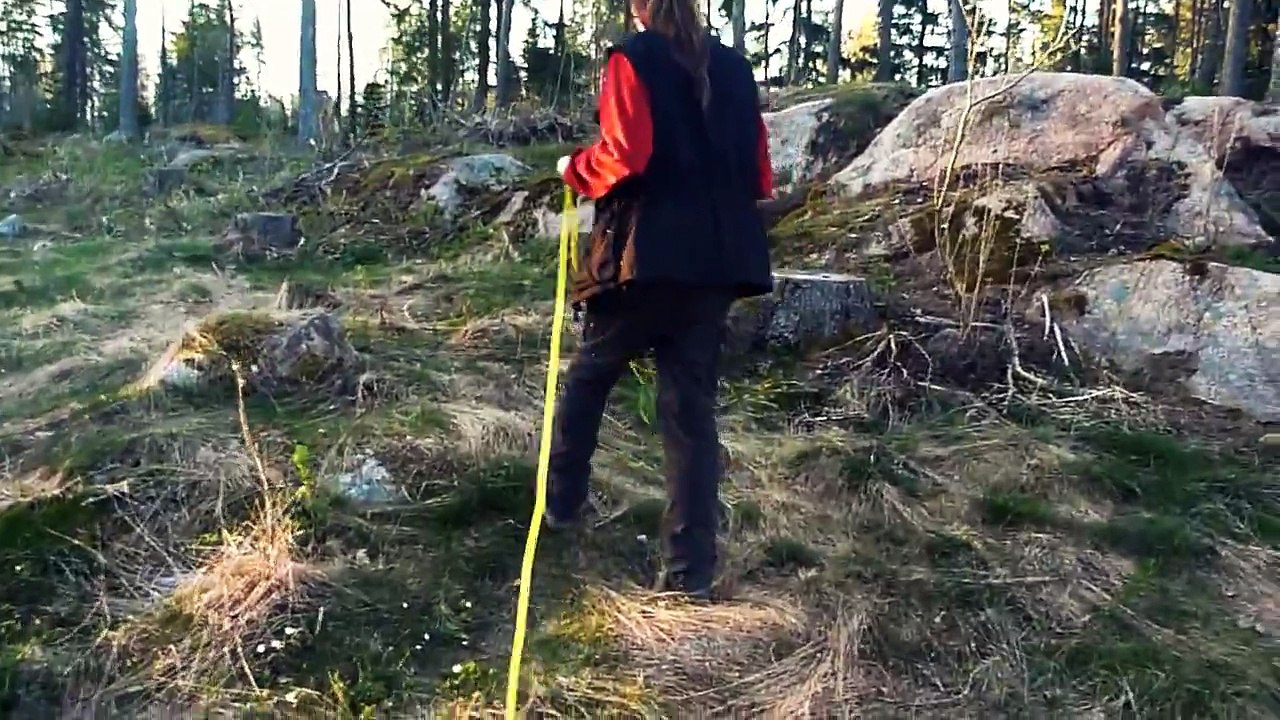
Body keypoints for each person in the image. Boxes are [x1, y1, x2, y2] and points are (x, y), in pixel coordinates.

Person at [544, 0, 775, 601]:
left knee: (590, 378)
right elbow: (759, 175)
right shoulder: (734, 68)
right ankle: (688, 572)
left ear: (637, 5)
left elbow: (625, 155)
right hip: (718, 261)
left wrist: (575, 168)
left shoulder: (633, 58)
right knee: (690, 412)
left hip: (643, 259)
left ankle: (560, 509)